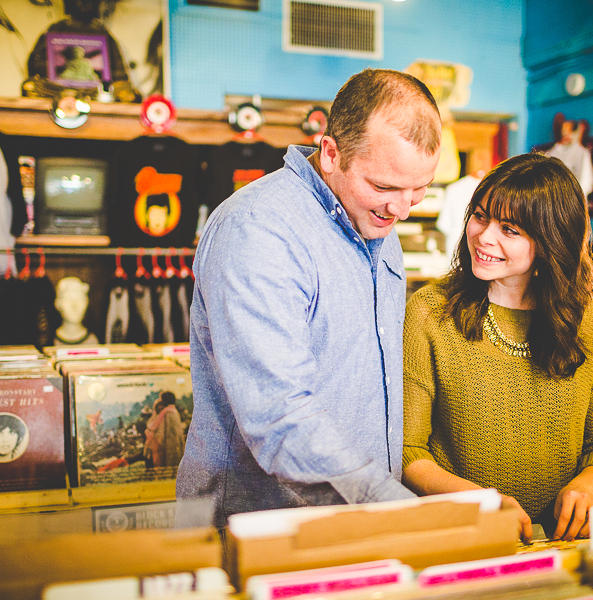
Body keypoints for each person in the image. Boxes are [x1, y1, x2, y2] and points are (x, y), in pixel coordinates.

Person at [176, 68, 442, 528]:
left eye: (419, 190)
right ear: (331, 153)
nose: (400, 209)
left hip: (356, 521)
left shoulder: (379, 221)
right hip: (256, 530)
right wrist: (392, 506)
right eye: (384, 187)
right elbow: (280, 415)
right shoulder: (258, 229)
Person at [402, 152, 593, 543]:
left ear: (552, 241)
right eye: (481, 215)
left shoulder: (591, 321)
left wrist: (586, 487)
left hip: (557, 543)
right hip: (458, 538)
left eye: (510, 229)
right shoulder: (429, 311)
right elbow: (408, 452)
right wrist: (482, 502)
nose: (484, 236)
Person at [145, 392, 186, 469]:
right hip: (174, 445)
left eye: (161, 399)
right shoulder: (173, 411)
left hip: (168, 447)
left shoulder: (167, 413)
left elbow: (160, 434)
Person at [54, 276, 99, 345]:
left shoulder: (92, 341)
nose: (74, 305)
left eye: (79, 299)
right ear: (57, 304)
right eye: (68, 299)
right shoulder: (49, 340)